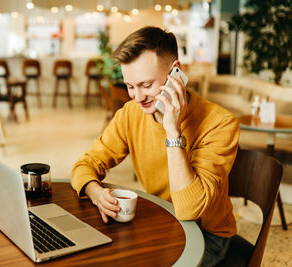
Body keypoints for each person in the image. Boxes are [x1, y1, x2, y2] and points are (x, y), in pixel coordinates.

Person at [71, 26, 240, 266]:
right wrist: (95, 192)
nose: (137, 97)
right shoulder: (131, 114)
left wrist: (172, 129)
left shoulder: (220, 124)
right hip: (161, 219)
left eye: (146, 85)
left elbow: (189, 210)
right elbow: (84, 165)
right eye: (130, 86)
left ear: (176, 73)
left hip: (208, 235)